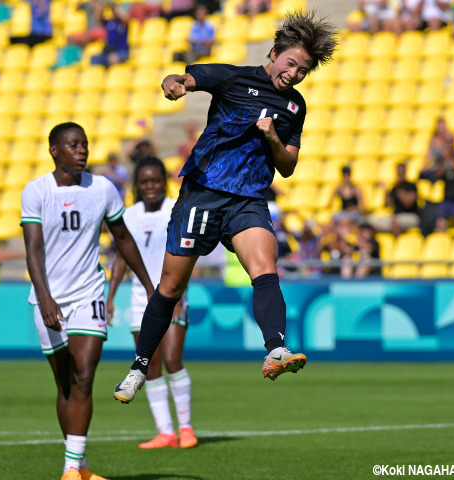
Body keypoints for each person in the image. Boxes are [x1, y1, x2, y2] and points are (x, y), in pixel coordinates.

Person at [113, 10, 338, 404]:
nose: (294, 74)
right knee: (170, 287)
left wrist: (271, 139)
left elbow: (287, 166)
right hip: (204, 193)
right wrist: (173, 84)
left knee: (265, 267)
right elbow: (185, 78)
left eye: (303, 70)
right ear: (274, 53)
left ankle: (275, 350)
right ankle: (138, 367)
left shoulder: (295, 108)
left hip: (248, 198)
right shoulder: (235, 77)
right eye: (291, 63)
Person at [21, 122, 153, 480]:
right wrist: (45, 297)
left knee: (83, 376)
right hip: (49, 298)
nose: (82, 150)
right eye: (73, 145)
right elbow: (32, 250)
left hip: (89, 292)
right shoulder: (36, 191)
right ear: (54, 150)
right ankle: (80, 467)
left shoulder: (103, 189)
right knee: (64, 382)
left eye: (85, 144)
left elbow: (123, 239)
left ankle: (69, 470)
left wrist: (150, 287)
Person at [107, 156, 198, 450]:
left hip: (171, 295)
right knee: (151, 365)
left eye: (156, 181)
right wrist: (110, 297)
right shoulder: (128, 215)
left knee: (172, 360)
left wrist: (181, 294)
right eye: (144, 182)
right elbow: (121, 257)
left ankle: (186, 428)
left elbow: (187, 253)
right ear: (137, 184)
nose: (151, 186)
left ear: (164, 181)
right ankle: (165, 432)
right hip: (138, 298)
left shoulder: (177, 208)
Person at [369, 163, 420, 236]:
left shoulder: (411, 186)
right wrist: (385, 191)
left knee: (394, 221)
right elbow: (387, 205)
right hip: (396, 216)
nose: (399, 175)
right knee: (371, 221)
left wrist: (399, 189)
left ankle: (399, 244)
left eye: (401, 172)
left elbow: (408, 203)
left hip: (411, 216)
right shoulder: (394, 188)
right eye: (398, 173)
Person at [89, 1, 129, 67]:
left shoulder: (123, 23)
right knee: (94, 59)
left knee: (114, 59)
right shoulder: (109, 22)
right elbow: (98, 18)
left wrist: (115, 6)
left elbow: (125, 18)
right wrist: (101, 6)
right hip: (108, 52)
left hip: (122, 52)